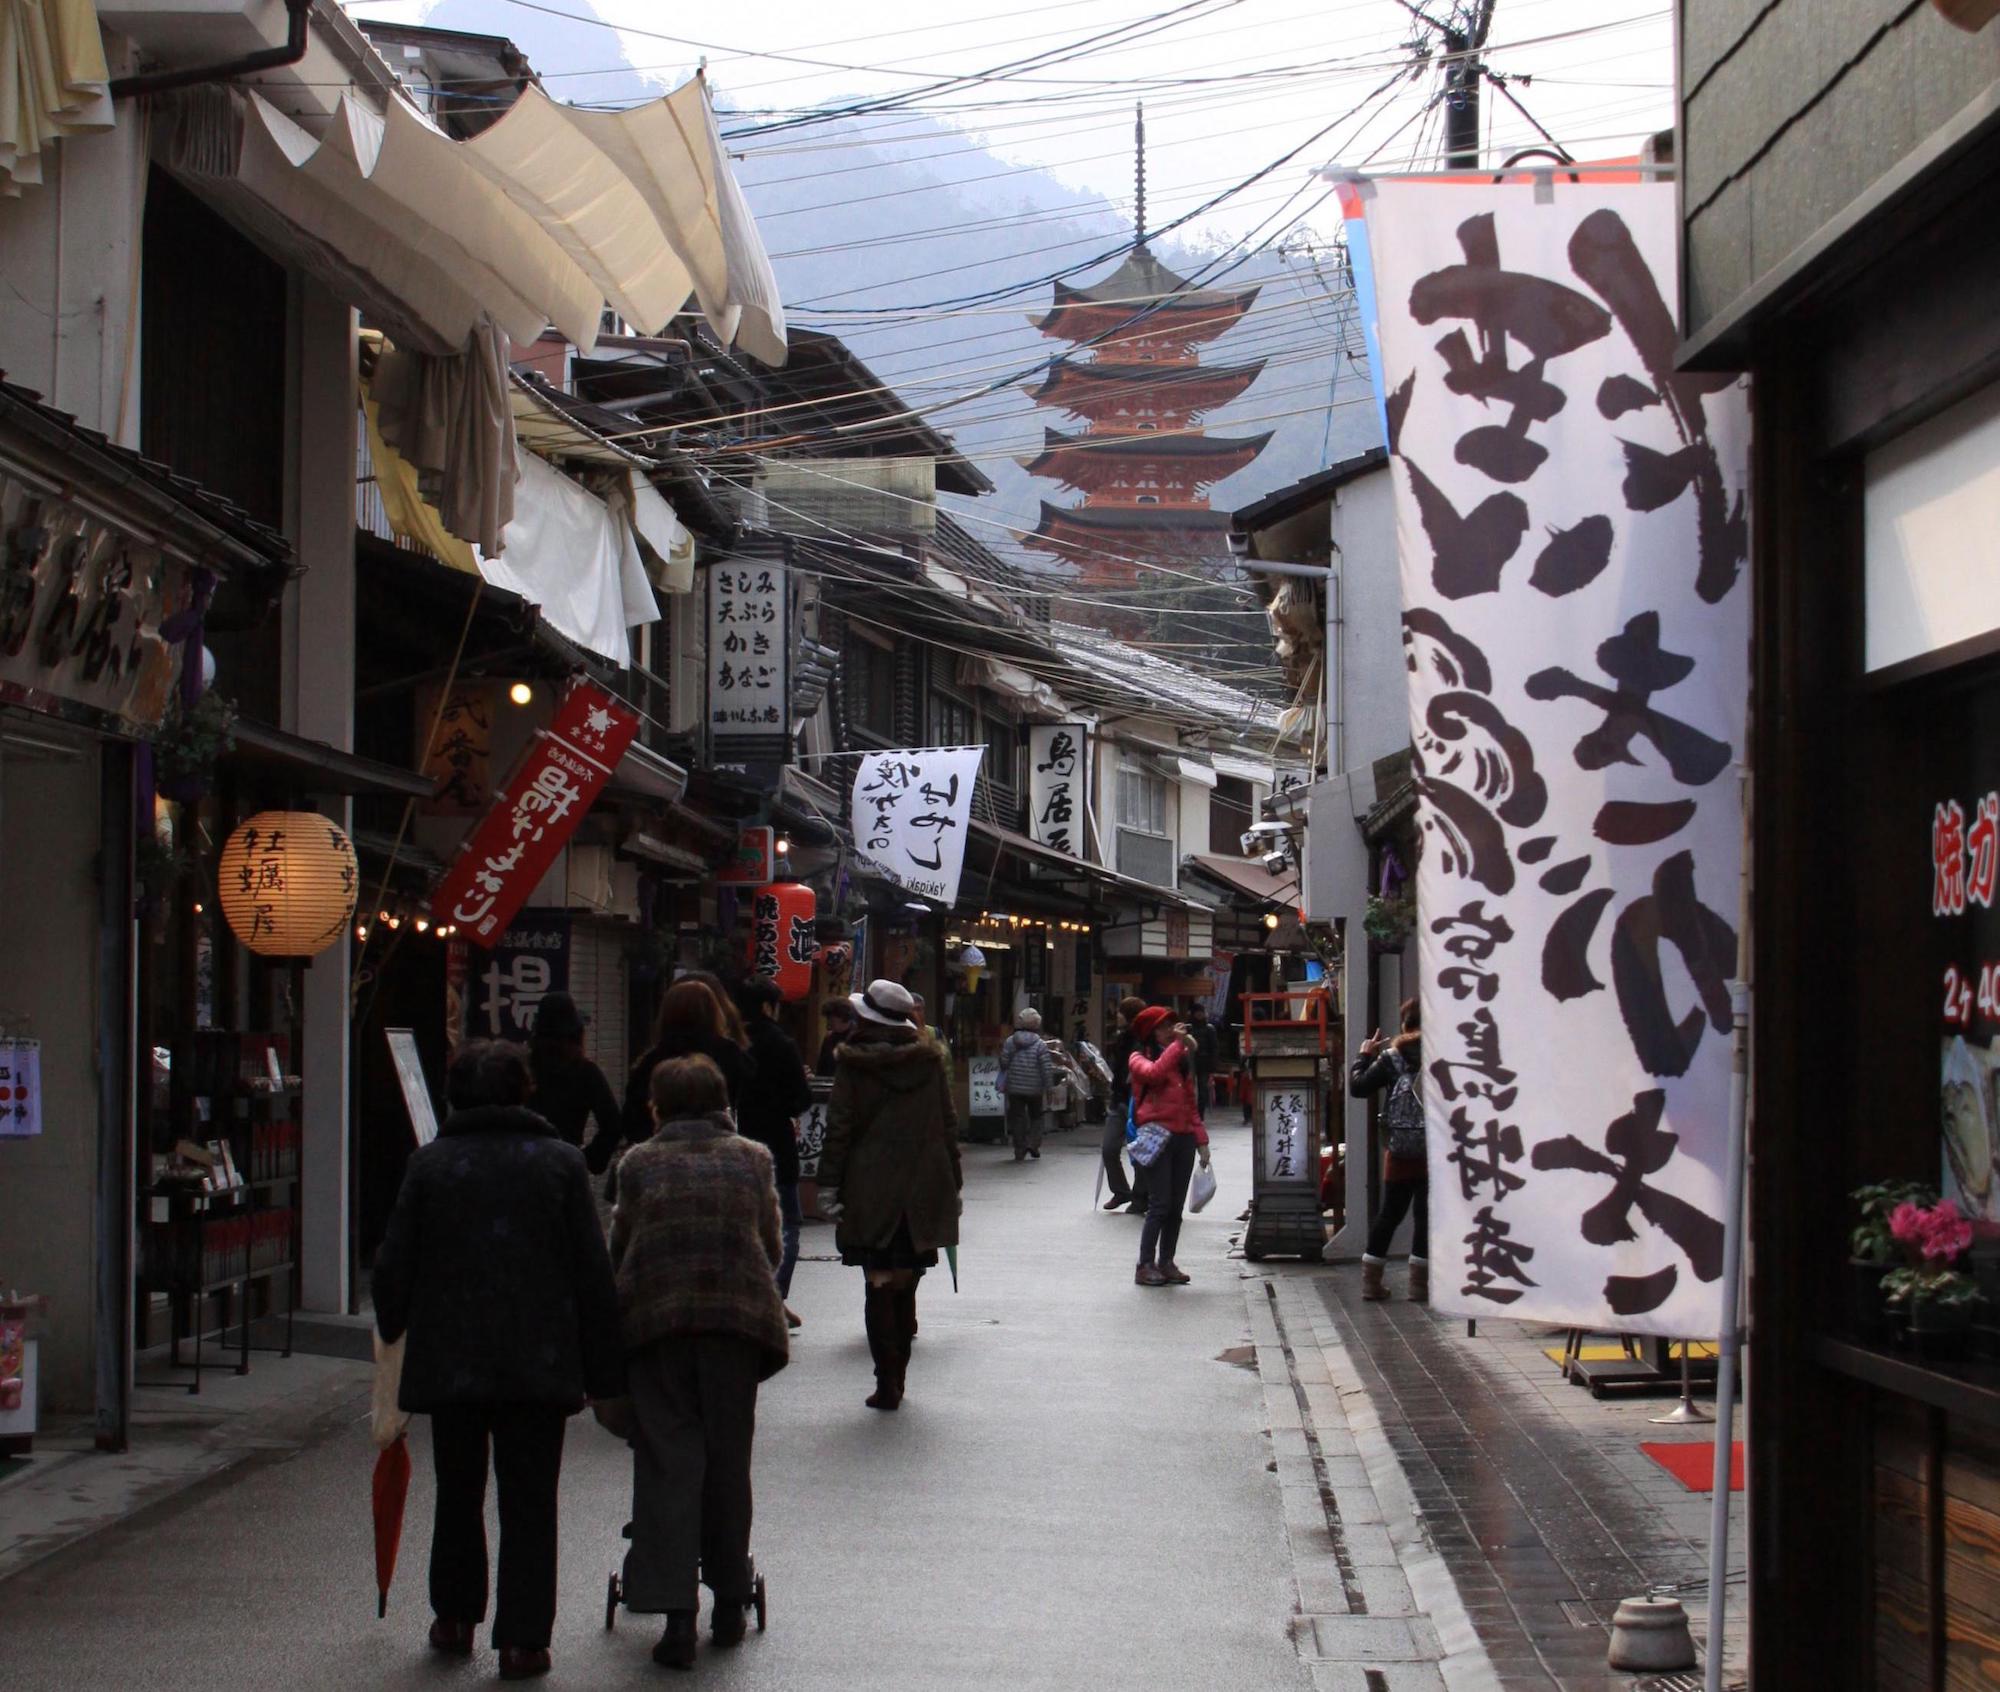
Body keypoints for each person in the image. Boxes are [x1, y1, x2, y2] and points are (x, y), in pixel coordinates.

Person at [371, 1040, 622, 1682]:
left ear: (455, 1095)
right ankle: (523, 1641)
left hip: (451, 1361)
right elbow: (593, 1274)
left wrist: (396, 1326)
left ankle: (455, 1617)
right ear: (524, 1091)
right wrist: (604, 1373)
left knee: (459, 1489)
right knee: (530, 1498)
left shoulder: (430, 1166)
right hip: (539, 1361)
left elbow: (392, 1267)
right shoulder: (563, 1165)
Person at [611, 1054, 789, 1670]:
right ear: (721, 1102)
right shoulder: (753, 1159)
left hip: (658, 1327)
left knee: (668, 1464)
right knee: (726, 1462)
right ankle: (730, 1604)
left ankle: (676, 1618)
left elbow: (621, 1247)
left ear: (657, 1105)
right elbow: (770, 1243)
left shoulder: (637, 1164)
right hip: (735, 1328)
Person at [817, 979, 961, 1411]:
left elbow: (839, 1130)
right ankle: (899, 1373)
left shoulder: (854, 1065)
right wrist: (953, 1182)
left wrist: (827, 1187)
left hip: (870, 1187)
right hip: (924, 1183)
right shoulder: (930, 1063)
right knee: (907, 1280)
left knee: (877, 1281)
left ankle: (887, 1381)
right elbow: (947, 1123)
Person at [591, 977, 752, 1178]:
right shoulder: (731, 1054)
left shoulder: (651, 1060)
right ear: (714, 1012)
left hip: (658, 1166)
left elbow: (632, 1120)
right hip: (722, 1159)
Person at [731, 978, 813, 1330]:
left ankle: (748, 1296)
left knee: (745, 1222)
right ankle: (775, 1297)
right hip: (776, 1142)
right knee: (787, 1222)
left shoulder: (729, 1044)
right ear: (768, 1006)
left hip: (736, 1140)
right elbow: (801, 1098)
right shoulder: (781, 1044)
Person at [1127, 1004, 1211, 1288]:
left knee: (1175, 1207)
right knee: (1159, 1203)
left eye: (1173, 1026)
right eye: (1164, 1026)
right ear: (1151, 1032)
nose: (1170, 1031)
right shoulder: (1137, 1058)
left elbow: (1191, 1103)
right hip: (1156, 1137)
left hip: (1183, 1137)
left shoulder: (1180, 1060)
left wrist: (1201, 1140)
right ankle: (1145, 1264)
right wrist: (1178, 1045)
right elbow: (1153, 1074)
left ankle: (1166, 1261)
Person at [1350, 998, 1427, 1303]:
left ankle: (1371, 1284)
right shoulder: (1442, 1056)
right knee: (1425, 1215)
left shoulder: (1392, 1059)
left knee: (1389, 1214)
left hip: (1399, 1148)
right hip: (1434, 1149)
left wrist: (1363, 1054)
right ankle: (1419, 1286)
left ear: (1405, 1025)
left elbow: (1358, 1088)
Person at [525, 993, 620, 1158]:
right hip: (567, 1164)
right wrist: (588, 1158)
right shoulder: (585, 1071)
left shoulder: (522, 1068)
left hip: (523, 1163)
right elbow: (613, 1125)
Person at [1102, 995, 1147, 1213]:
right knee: (1109, 1148)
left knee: (1139, 1151)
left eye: (1121, 1012)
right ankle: (1121, 1190)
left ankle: (1141, 1196)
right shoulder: (1121, 1038)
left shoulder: (1143, 1040)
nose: (1117, 1015)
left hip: (1137, 1101)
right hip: (1119, 1099)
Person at [998, 1006, 1053, 1162]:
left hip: (1014, 1088)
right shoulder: (1040, 1045)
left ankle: (1019, 1149)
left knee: (1018, 1118)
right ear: (1036, 1024)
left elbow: (1003, 1062)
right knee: (1037, 1117)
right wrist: (1049, 1088)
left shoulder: (1010, 1042)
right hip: (1035, 1089)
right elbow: (1046, 1068)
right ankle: (1033, 1144)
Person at [1187, 1000, 1220, 1116]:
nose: (1199, 1014)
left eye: (1201, 1012)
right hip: (1190, 1061)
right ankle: (1191, 1112)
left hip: (1205, 1062)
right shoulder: (1189, 1028)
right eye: (1197, 1012)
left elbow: (1214, 1048)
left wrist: (1213, 1065)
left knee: (1202, 1089)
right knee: (1189, 1088)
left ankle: (1200, 1114)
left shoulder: (1209, 1028)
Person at [814, 998, 856, 1077]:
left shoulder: (857, 1036)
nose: (828, 1024)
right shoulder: (829, 1038)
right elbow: (821, 1068)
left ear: (843, 1017)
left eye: (832, 1020)